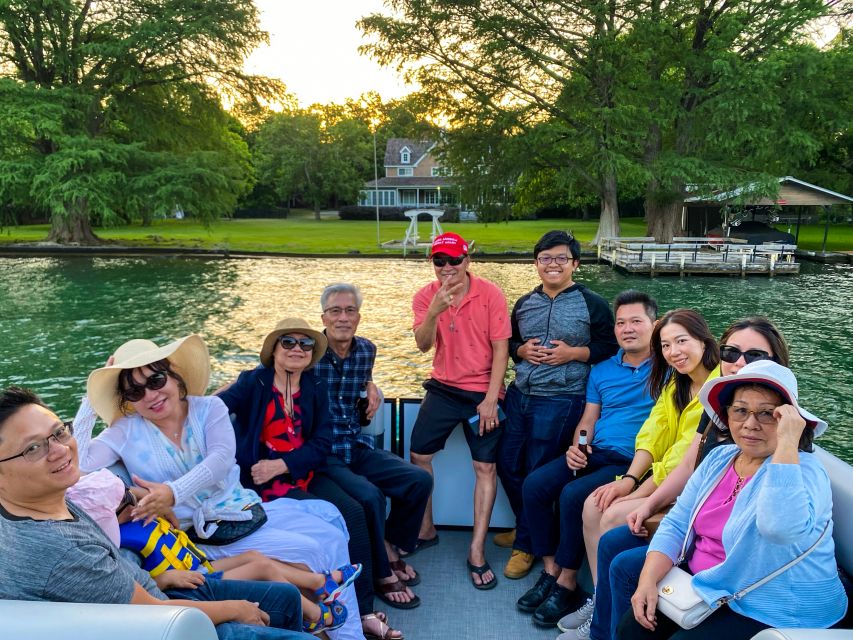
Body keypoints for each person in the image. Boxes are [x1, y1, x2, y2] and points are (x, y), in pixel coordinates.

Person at [74, 334, 364, 640]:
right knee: (314, 549)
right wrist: (89, 402)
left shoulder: (209, 409)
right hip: (194, 535)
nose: (150, 395)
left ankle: (345, 627)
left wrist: (172, 493)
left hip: (239, 513)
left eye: (156, 380)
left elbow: (221, 459)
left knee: (330, 527)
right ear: (128, 400)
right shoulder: (124, 431)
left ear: (173, 376)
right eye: (135, 391)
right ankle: (332, 625)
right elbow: (79, 466)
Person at [0, 386, 312, 640]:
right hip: (163, 623)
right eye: (33, 449)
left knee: (284, 596)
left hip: (153, 590)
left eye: (59, 433)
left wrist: (156, 574)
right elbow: (150, 611)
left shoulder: (48, 500)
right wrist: (236, 609)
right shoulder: (63, 552)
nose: (60, 450)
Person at [578, 317, 791, 640]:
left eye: (755, 356)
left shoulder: (783, 433)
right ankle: (600, 630)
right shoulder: (717, 408)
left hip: (730, 556)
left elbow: (771, 526)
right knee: (611, 542)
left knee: (615, 536)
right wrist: (646, 500)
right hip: (696, 522)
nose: (740, 362)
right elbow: (687, 460)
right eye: (731, 353)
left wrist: (642, 493)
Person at [218, 314, 423, 637]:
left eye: (306, 343)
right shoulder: (253, 382)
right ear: (274, 349)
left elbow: (321, 442)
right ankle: (346, 605)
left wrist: (282, 464)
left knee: (355, 511)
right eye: (288, 342)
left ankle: (363, 607)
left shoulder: (315, 386)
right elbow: (208, 410)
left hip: (302, 473)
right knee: (333, 521)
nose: (297, 349)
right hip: (260, 486)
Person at [619, 360, 846, 638]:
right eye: (740, 411)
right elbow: (678, 523)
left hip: (775, 606)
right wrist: (647, 581)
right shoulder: (720, 458)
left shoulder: (805, 470)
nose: (750, 424)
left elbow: (780, 529)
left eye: (767, 414)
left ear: (788, 420)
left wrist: (788, 443)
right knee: (632, 626)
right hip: (714, 584)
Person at [67, 469, 359, 634]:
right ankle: (317, 615)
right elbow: (134, 581)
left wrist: (149, 501)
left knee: (257, 557)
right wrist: (165, 579)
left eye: (130, 497)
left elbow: (149, 509)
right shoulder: (117, 542)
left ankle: (321, 583)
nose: (133, 505)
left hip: (202, 564)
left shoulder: (139, 514)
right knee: (263, 567)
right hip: (197, 580)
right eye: (124, 504)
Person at [516, 291, 656, 628]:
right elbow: (589, 419)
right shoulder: (603, 370)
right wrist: (578, 446)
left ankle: (567, 583)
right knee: (534, 485)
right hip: (595, 452)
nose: (627, 329)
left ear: (654, 324)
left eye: (636, 321)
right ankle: (551, 569)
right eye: (621, 322)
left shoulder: (667, 370)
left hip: (632, 461)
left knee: (573, 496)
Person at [499, 230, 618, 581]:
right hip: (520, 394)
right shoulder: (524, 303)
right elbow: (510, 343)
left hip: (562, 398)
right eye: (545, 258)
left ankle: (526, 544)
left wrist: (573, 354)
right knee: (508, 464)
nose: (553, 264)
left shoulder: (591, 303)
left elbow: (608, 346)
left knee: (537, 470)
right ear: (536, 263)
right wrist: (520, 351)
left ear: (574, 264)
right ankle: (531, 531)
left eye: (561, 258)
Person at [313, 285, 432, 605]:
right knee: (369, 495)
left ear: (359, 317)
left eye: (350, 311)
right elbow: (272, 373)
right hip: (323, 453)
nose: (343, 317)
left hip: (355, 443)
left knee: (418, 479)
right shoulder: (307, 352)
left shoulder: (366, 350)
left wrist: (370, 383)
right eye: (335, 311)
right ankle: (382, 571)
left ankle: (389, 542)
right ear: (323, 316)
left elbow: (359, 382)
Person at [410, 232, 511, 589]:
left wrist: (490, 398)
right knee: (418, 456)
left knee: (485, 466)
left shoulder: (491, 294)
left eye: (455, 260)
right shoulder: (425, 296)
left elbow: (502, 350)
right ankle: (426, 526)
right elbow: (422, 346)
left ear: (468, 261)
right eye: (440, 261)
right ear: (432, 263)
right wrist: (435, 310)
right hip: (442, 387)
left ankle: (476, 549)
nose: (448, 268)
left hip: (482, 390)